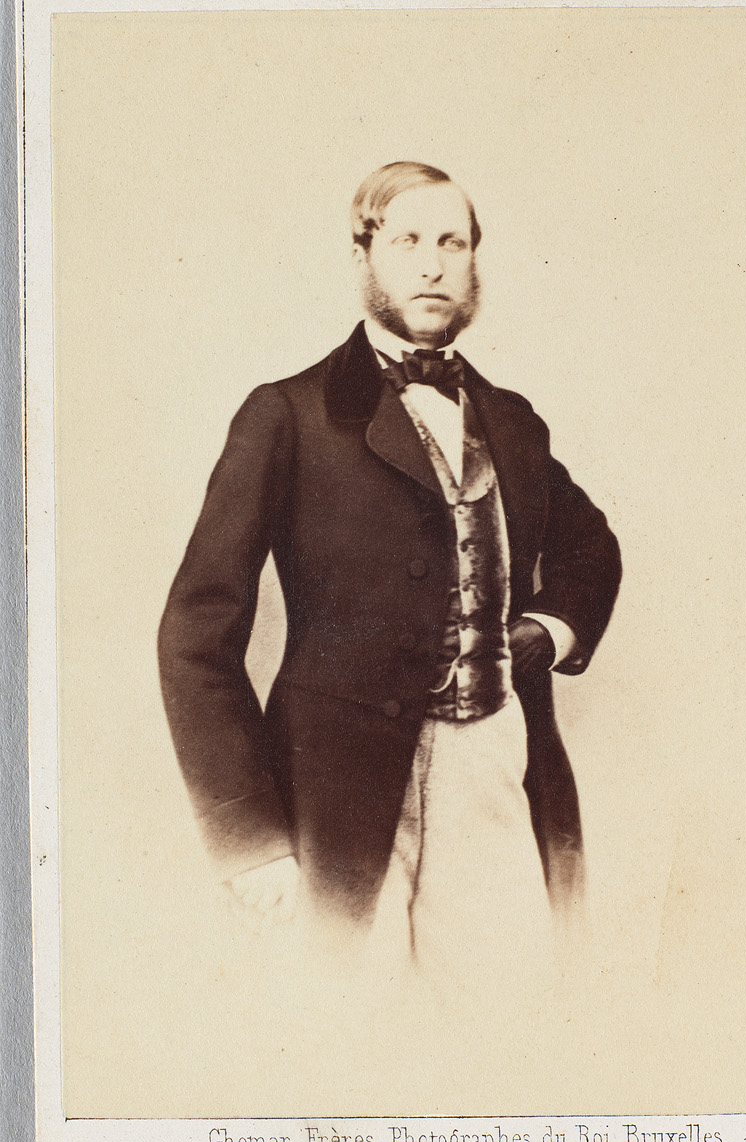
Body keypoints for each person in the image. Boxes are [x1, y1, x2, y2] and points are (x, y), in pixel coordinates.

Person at [158, 161, 621, 977]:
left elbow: (592, 548)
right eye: (407, 241)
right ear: (363, 255)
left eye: (452, 242)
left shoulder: (513, 422)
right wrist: (249, 839)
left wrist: (548, 630)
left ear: (474, 259)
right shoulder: (287, 414)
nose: (432, 266)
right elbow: (195, 636)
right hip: (337, 787)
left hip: (495, 763)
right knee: (355, 1021)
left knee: (504, 1007)